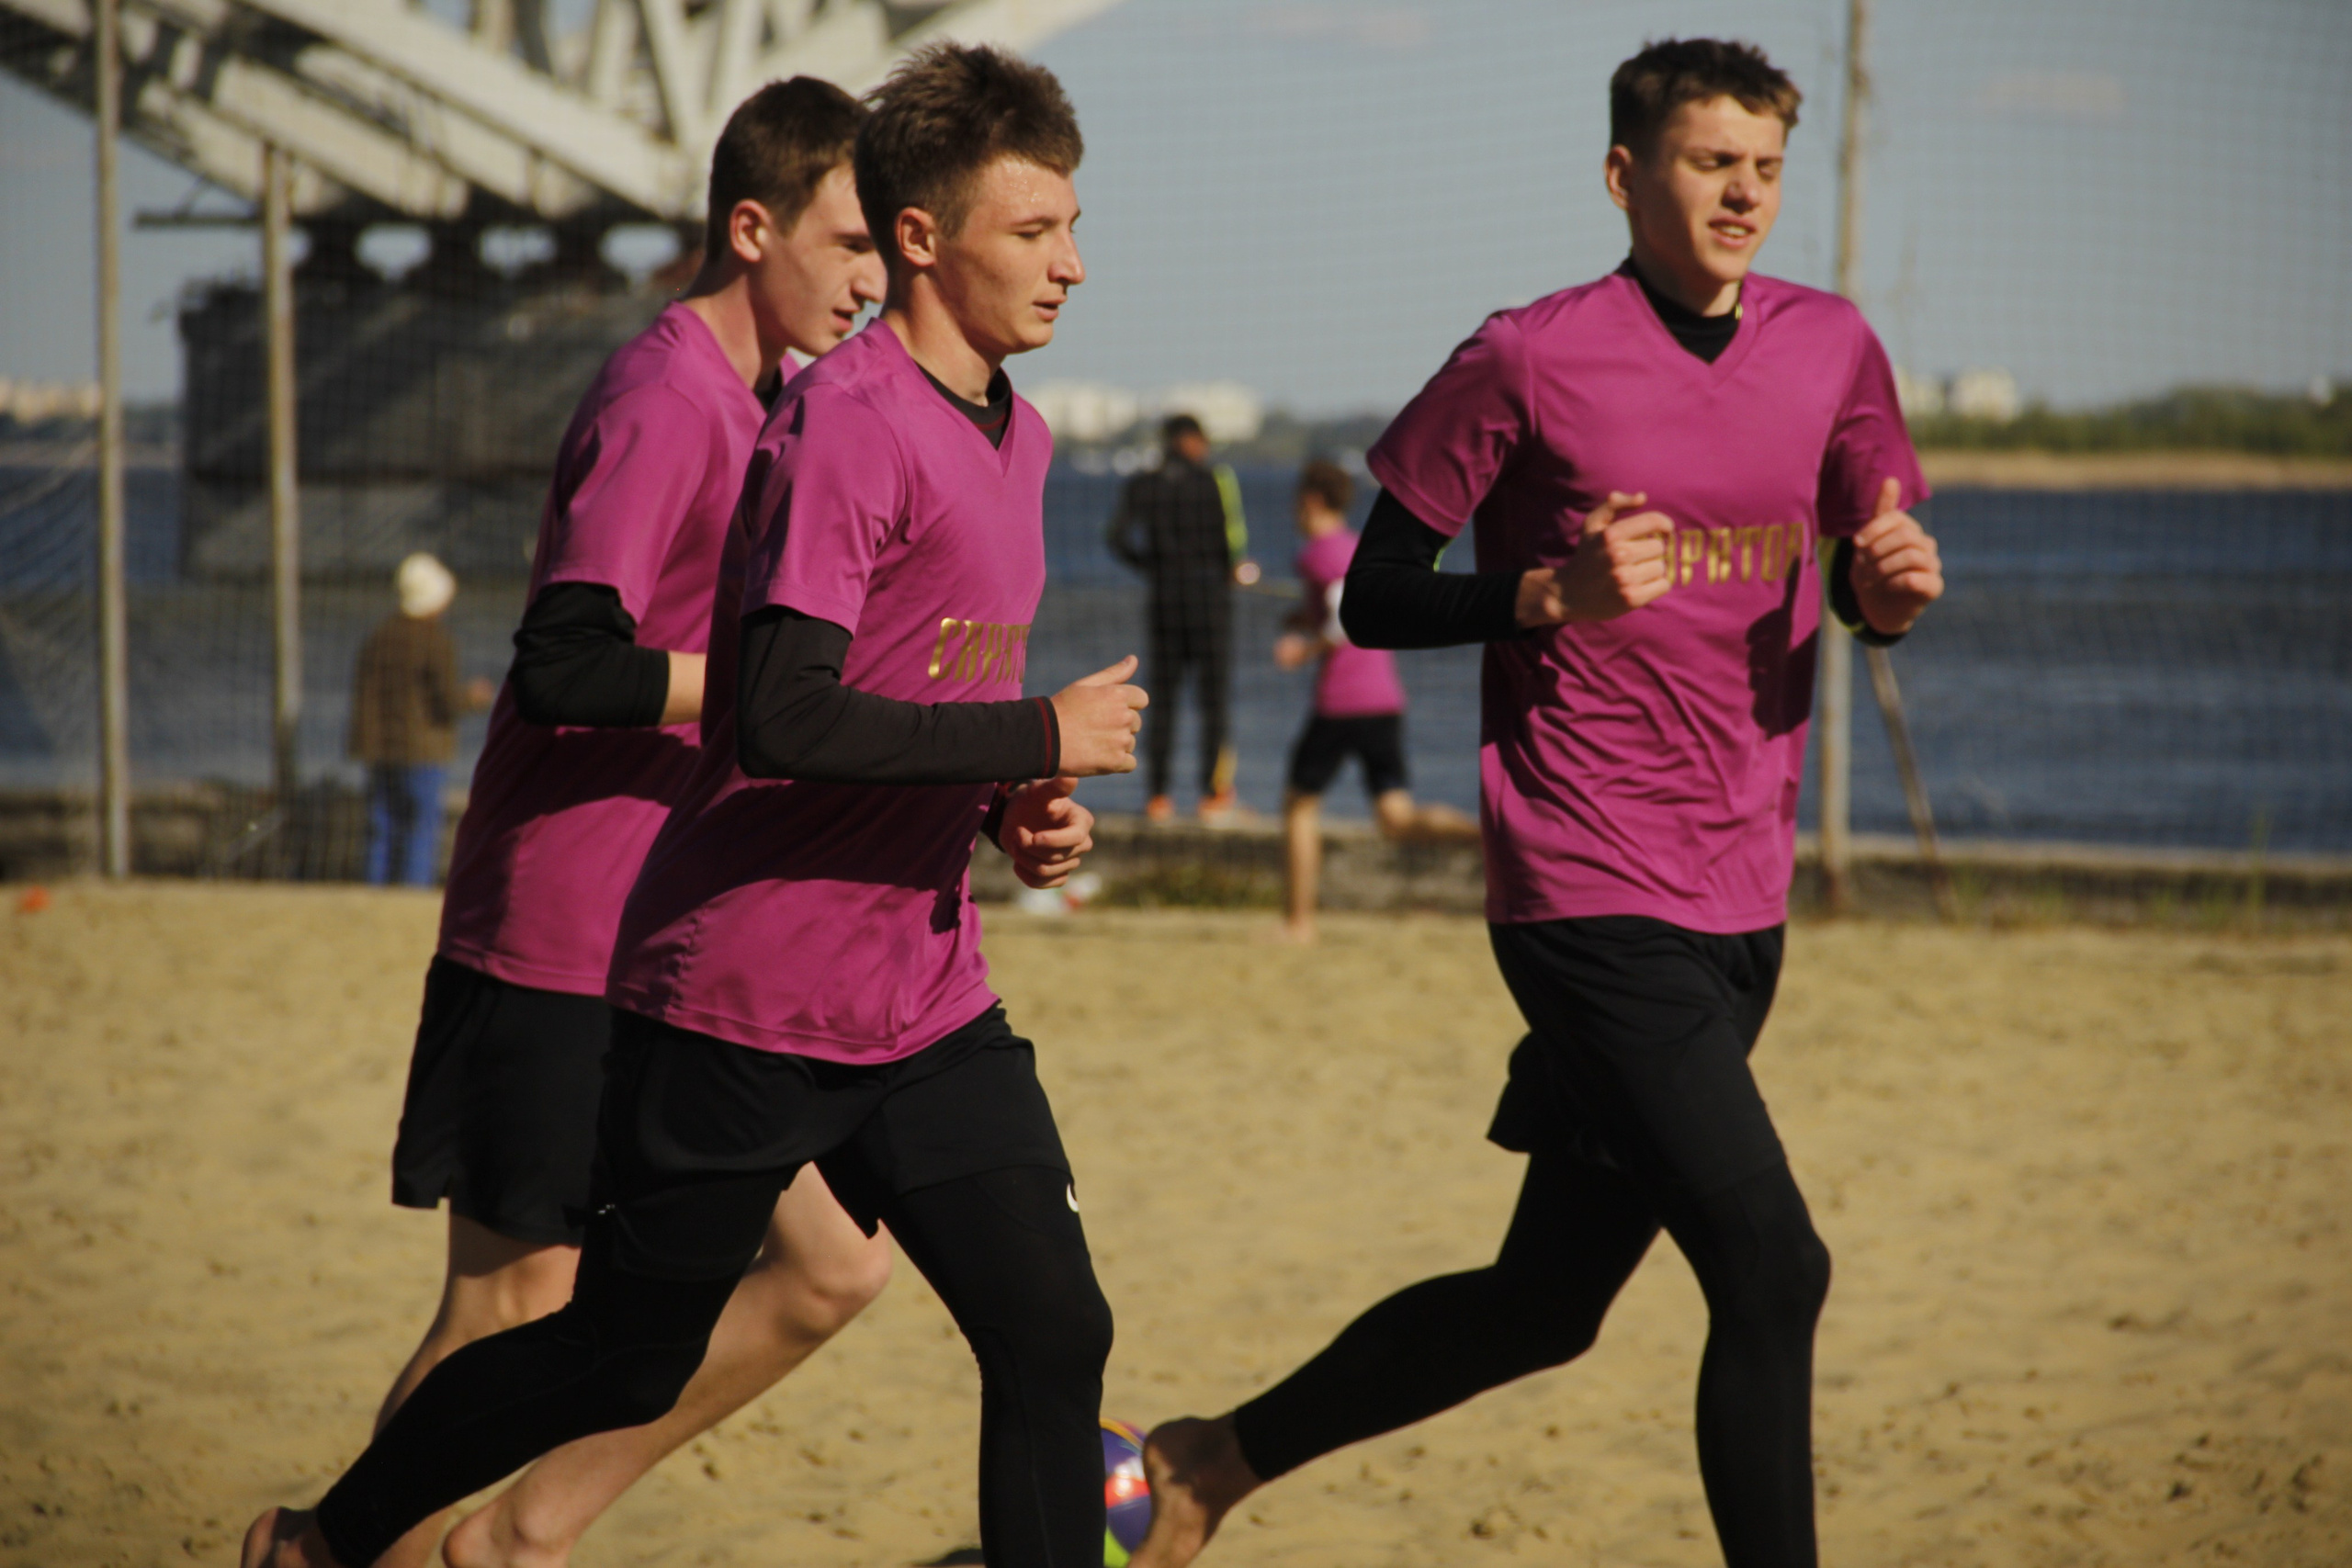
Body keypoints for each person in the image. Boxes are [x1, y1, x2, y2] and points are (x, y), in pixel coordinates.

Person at [243, 42, 1147, 1568]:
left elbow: (912, 682)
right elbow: (781, 709)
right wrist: (1030, 723)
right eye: (1034, 230)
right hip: (740, 993)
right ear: (925, 236)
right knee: (618, 1354)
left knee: (1054, 1329)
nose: (1074, 263)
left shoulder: (1027, 433)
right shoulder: (844, 422)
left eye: (1074, 224)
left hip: (921, 996)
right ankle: (334, 1539)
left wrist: (1015, 800)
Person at [1134, 38, 1945, 1568]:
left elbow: (1857, 562)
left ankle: (1203, 1466)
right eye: (1713, 163)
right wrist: (1546, 593)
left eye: (1766, 167)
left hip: (1741, 893)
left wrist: (1884, 592)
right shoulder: (1528, 352)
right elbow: (1376, 594)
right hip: (1584, 885)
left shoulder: (1833, 347)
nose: (1744, 194)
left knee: (1546, 1304)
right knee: (1774, 1269)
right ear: (1625, 173)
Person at [360, 79, 889, 1568]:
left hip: (666, 938)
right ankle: (345, 1547)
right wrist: (765, 689)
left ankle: (516, 1533)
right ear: (751, 224)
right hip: (549, 928)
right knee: (505, 1307)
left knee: (831, 1269)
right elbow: (563, 661)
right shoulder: (667, 395)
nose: (871, 282)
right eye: (851, 244)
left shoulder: (770, 400)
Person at [1272, 458, 1473, 943]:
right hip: (1384, 697)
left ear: (1312, 501)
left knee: (1299, 805)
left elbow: (1342, 618)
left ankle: (1299, 923)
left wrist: (1305, 647)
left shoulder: (1318, 553)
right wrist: (1305, 616)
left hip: (1343, 700)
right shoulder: (1357, 548)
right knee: (1397, 818)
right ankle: (1489, 838)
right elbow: (1348, 606)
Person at [1107, 412, 1256, 824]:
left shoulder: (1143, 484)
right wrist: (1233, 568)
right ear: (1193, 441)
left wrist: (1150, 566)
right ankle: (1213, 794)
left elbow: (1116, 538)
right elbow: (1235, 542)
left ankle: (1157, 796)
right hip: (1210, 603)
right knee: (1214, 703)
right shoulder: (1216, 480)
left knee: (1163, 700)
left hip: (1164, 602)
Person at [349, 552, 492, 887]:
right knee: (421, 826)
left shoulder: (379, 636)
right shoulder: (434, 639)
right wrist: (473, 697)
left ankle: (375, 889)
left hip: (380, 748)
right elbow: (446, 700)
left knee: (382, 825)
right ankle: (413, 891)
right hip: (422, 750)